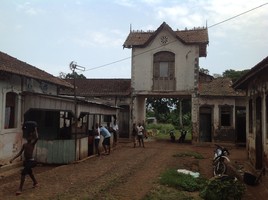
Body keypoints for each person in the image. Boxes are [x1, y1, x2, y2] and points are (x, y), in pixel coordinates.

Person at [10, 126, 39, 195]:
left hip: (31, 161)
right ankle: (35, 182)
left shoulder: (32, 144)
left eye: (31, 137)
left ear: (31, 138)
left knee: (23, 173)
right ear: (27, 138)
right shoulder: (25, 145)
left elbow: (37, 137)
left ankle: (20, 189)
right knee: (30, 172)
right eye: (28, 137)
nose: (29, 138)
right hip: (26, 162)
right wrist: (13, 158)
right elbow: (20, 153)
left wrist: (35, 128)